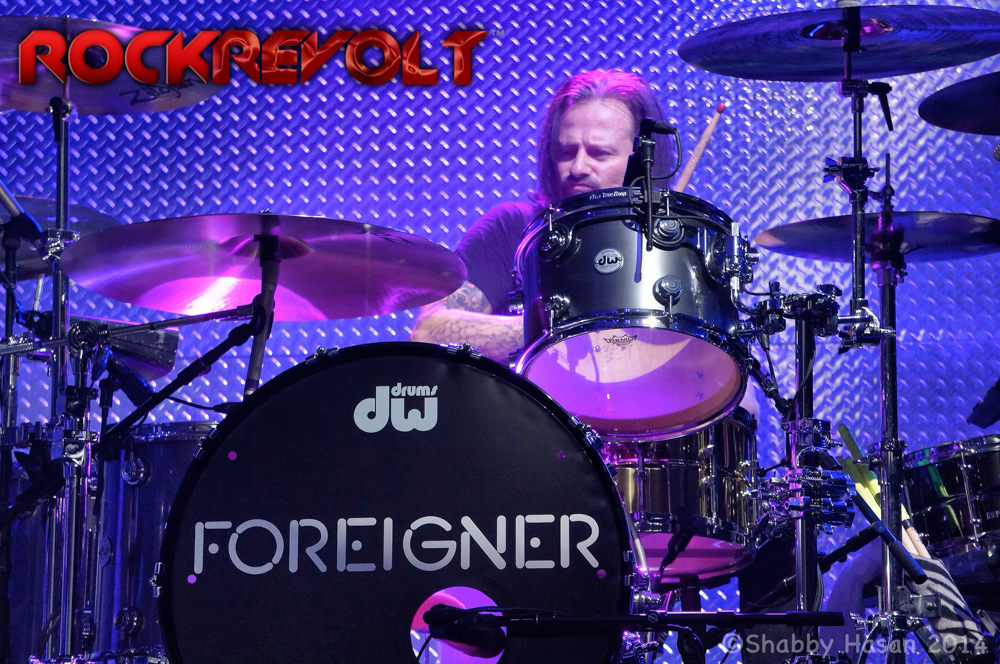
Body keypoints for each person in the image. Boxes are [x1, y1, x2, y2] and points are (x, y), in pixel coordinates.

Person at [409, 69, 674, 360]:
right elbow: (428, 332)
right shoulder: (513, 227)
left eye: (599, 153)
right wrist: (565, 330)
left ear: (646, 159)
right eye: (566, 152)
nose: (578, 167)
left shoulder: (675, 245)